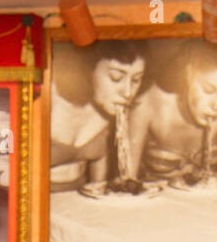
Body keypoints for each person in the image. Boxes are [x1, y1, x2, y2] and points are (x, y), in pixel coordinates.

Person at [128, 38, 217, 180]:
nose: (216, 105)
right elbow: (125, 181)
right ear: (189, 73)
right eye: (209, 90)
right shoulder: (149, 101)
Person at [50, 40, 147, 190]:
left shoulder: (109, 109)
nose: (128, 92)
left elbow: (98, 187)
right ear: (87, 69)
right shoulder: (47, 99)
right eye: (116, 78)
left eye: (136, 80)